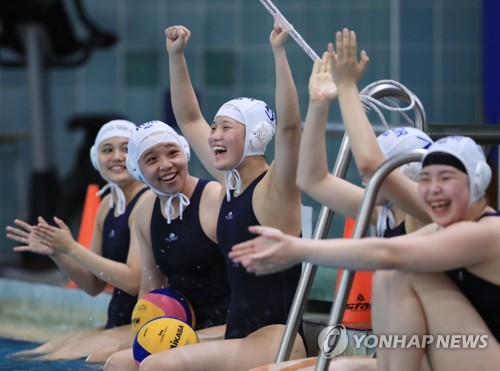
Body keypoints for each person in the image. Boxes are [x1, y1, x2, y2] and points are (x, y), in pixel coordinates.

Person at [123, 22, 307, 370]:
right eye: (214, 128)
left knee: (155, 366)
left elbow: (289, 128)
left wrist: (279, 52)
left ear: (256, 135)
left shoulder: (275, 189)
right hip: (238, 336)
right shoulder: (231, 182)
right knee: (124, 362)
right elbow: (189, 118)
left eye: (226, 128)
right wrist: (176, 56)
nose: (213, 136)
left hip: (275, 340)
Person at [230, 135, 500, 370]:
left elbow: (388, 252)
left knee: (398, 272)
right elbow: (314, 180)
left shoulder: (485, 231)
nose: (433, 189)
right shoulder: (437, 225)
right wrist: (319, 101)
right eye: (427, 179)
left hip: (473, 352)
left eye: (446, 178)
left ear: (478, 180)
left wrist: (297, 249)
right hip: (447, 350)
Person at [5, 120, 152, 361]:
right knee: (37, 353)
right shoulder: (106, 206)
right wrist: (57, 252)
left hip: (147, 322)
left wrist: (72, 247)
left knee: (52, 360)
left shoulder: (146, 202)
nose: (116, 156)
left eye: (125, 148)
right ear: (96, 159)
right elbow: (92, 285)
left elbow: (133, 282)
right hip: (119, 320)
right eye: (107, 150)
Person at [103, 120, 231, 370]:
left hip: (228, 326)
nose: (166, 165)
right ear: (137, 170)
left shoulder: (212, 198)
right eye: (151, 159)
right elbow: (149, 289)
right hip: (178, 329)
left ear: (185, 152)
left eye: (173, 153)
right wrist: (141, 332)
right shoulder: (144, 212)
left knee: (143, 363)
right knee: (110, 360)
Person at [298, 28, 432, 239]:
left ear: (407, 170)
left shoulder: (430, 212)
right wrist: (318, 103)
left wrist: (346, 86)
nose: (365, 181)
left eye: (371, 177)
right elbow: (312, 181)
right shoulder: (386, 214)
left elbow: (370, 163)